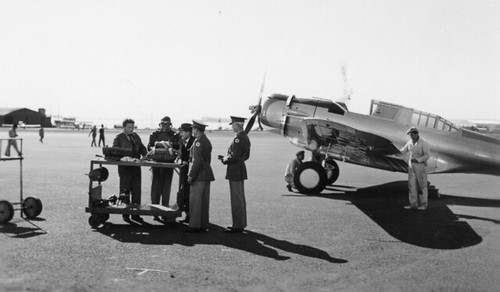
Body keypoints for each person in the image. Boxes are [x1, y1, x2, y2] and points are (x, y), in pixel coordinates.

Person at [112, 118, 147, 222]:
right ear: (124, 127)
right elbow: (115, 150)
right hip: (125, 167)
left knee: (136, 190)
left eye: (132, 127)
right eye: (129, 127)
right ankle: (125, 213)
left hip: (136, 166)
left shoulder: (136, 137)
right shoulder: (119, 137)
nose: (131, 129)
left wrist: (147, 155)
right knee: (125, 189)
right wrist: (124, 157)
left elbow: (141, 147)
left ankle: (135, 214)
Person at [220, 116, 251, 233]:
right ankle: (241, 223)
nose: (232, 126)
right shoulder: (245, 137)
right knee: (240, 197)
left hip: (235, 170)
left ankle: (238, 225)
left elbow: (235, 156)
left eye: (232, 124)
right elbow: (244, 156)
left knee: (236, 198)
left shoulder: (239, 138)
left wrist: (225, 159)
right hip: (240, 168)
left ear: (237, 125)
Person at [147, 116, 180, 220]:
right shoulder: (154, 134)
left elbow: (176, 146)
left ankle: (164, 211)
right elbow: (149, 146)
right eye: (163, 124)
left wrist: (162, 145)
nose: (165, 126)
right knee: (155, 188)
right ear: (159, 124)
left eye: (167, 124)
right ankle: (155, 212)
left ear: (170, 124)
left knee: (166, 188)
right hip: (156, 164)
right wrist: (163, 146)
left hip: (169, 164)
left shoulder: (174, 134)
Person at [186, 120, 215, 232]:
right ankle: (203, 224)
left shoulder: (198, 142)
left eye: (193, 129)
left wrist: (191, 175)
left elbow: (196, 161)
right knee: (204, 202)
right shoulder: (206, 140)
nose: (192, 131)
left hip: (199, 175)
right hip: (206, 173)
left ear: (197, 130)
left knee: (195, 201)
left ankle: (194, 225)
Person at [399, 127, 430, 211]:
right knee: (411, 186)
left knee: (422, 186)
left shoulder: (424, 143)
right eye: (410, 135)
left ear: (416, 134)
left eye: (412, 134)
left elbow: (427, 155)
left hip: (421, 166)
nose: (411, 136)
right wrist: (395, 152)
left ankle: (424, 204)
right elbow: (403, 151)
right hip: (411, 167)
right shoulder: (409, 143)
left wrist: (418, 160)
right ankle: (413, 204)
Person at [177, 123, 195, 223]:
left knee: (189, 194)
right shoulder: (183, 141)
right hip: (184, 171)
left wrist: (185, 162)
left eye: (182, 131)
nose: (180, 133)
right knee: (185, 193)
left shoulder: (193, 141)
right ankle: (188, 215)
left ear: (188, 132)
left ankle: (191, 216)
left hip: (190, 172)